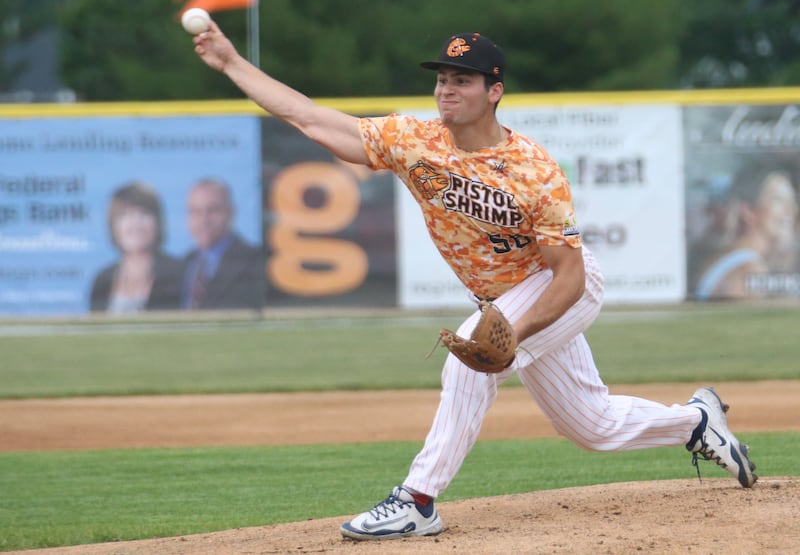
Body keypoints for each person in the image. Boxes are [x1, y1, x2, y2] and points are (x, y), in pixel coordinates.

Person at [191, 26, 758, 540]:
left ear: (494, 91)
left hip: (560, 288)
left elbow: (571, 274)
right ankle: (696, 421)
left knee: (468, 360)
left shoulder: (534, 169)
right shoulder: (414, 142)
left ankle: (417, 501)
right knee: (592, 425)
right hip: (505, 299)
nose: (446, 89)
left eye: (462, 79)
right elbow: (313, 120)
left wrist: (513, 331)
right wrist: (231, 63)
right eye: (442, 78)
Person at [694, 161, 799, 300]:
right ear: (748, 210)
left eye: (791, 201)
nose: (789, 210)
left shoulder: (734, 256)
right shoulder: (750, 268)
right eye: (777, 200)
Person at [90, 182, 183, 313]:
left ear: (157, 222)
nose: (136, 223)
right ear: (113, 225)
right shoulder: (102, 281)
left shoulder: (180, 274)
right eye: (125, 215)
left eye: (144, 214)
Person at [182, 177, 264, 310]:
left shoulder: (254, 260)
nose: (204, 220)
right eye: (196, 211)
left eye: (212, 210)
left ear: (231, 213)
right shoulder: (184, 263)